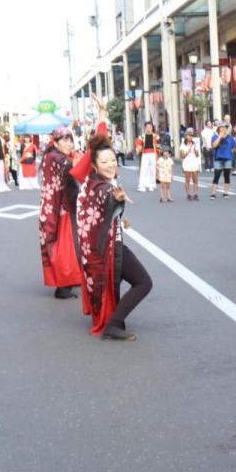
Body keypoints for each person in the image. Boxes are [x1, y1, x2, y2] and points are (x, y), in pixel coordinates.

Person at [72, 136, 153, 341]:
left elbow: (100, 210)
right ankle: (114, 324)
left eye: (112, 160)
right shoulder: (103, 187)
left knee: (117, 282)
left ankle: (114, 320)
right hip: (108, 247)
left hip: (100, 247)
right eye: (104, 162)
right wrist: (115, 199)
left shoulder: (91, 183)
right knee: (143, 282)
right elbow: (106, 197)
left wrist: (119, 217)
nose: (110, 165)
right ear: (94, 166)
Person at [39, 127, 83, 299]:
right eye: (64, 140)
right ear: (55, 143)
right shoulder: (56, 158)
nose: (69, 143)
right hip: (58, 211)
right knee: (64, 248)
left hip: (60, 208)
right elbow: (70, 167)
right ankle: (63, 286)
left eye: (70, 140)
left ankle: (69, 280)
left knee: (68, 246)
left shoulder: (57, 156)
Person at [209, 122, 236, 198]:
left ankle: (226, 192)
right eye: (222, 127)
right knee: (216, 175)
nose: (224, 129)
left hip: (228, 158)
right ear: (218, 129)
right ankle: (213, 193)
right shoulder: (215, 136)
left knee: (227, 175)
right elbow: (214, 145)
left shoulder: (230, 137)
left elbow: (234, 147)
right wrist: (220, 137)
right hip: (218, 158)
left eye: (225, 127)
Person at [137, 122, 159, 193]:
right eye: (147, 127)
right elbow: (138, 145)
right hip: (145, 154)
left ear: (152, 127)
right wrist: (138, 149)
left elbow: (159, 146)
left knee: (153, 170)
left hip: (153, 154)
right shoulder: (141, 136)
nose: (149, 128)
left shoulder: (156, 136)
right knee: (144, 170)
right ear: (145, 128)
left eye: (150, 126)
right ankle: (141, 186)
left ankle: (152, 185)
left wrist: (159, 153)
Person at [180, 131, 202, 200]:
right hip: (187, 163)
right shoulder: (183, 145)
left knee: (195, 179)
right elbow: (182, 156)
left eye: (191, 136)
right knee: (187, 180)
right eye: (189, 136)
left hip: (194, 162)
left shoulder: (195, 144)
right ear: (186, 136)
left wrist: (195, 150)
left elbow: (197, 155)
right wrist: (188, 151)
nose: (190, 137)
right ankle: (188, 194)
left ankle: (195, 194)